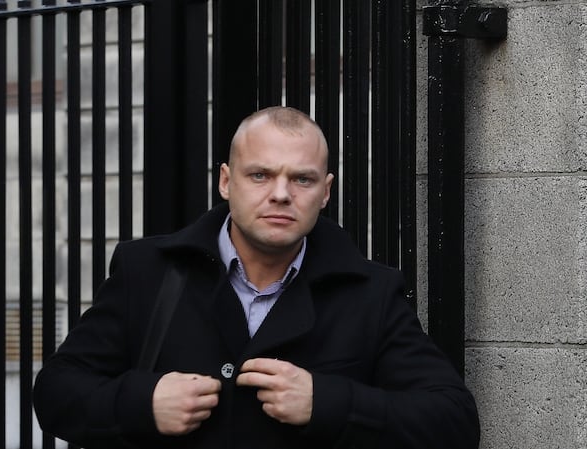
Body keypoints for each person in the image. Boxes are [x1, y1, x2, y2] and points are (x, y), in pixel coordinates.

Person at [33, 106, 480, 448]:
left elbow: (453, 420)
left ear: (325, 192)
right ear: (227, 182)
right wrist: (144, 404)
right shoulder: (147, 271)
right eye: (261, 175)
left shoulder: (370, 292)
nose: (281, 194)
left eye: (302, 180)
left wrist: (327, 403)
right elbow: (56, 392)